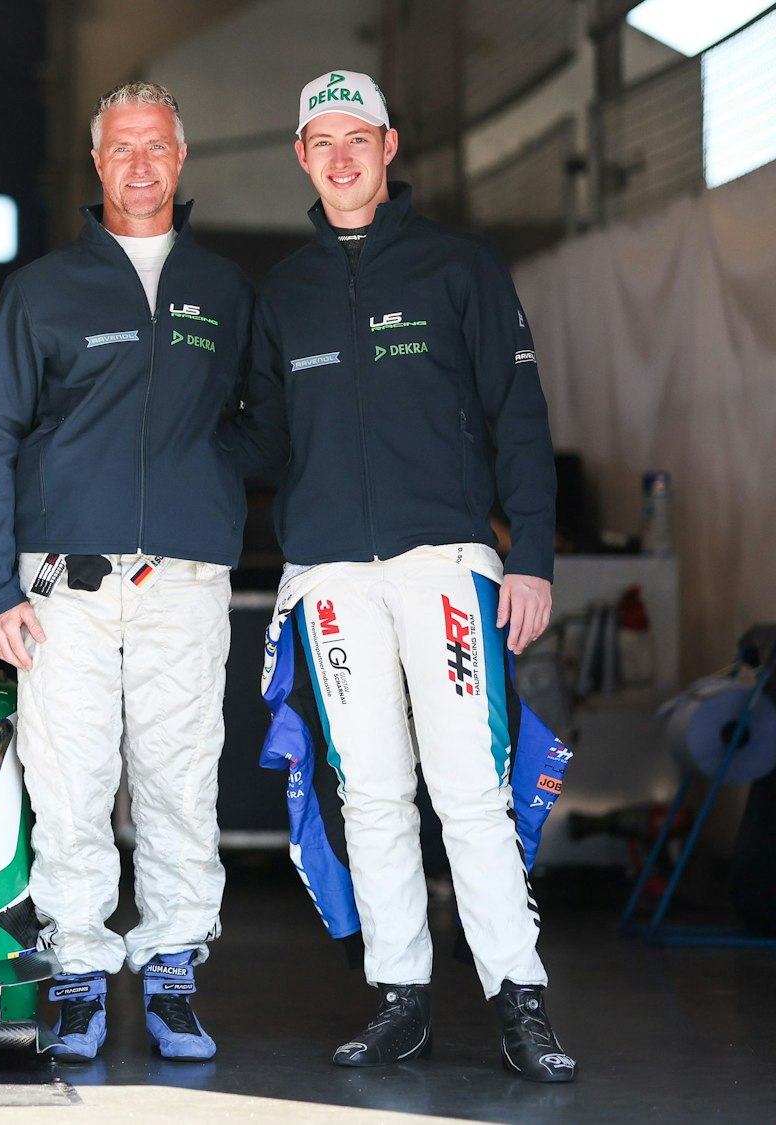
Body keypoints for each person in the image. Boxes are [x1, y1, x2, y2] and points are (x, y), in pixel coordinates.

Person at [234, 70, 572, 1082]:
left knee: (467, 789)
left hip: (445, 565)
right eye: (319, 141)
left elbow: (520, 418)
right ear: (299, 157)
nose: (339, 156)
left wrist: (534, 560)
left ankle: (519, 997)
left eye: (357, 138)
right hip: (329, 576)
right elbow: (251, 446)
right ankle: (400, 996)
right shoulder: (280, 295)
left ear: (387, 148)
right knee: (370, 791)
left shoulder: (457, 267)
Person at [0, 81, 254, 1063]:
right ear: (97, 164)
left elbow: (259, 426)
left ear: (180, 158)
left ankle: (172, 970)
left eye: (156, 147)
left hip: (181, 582)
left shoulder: (221, 289)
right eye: (120, 149)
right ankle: (79, 971)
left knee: (178, 787)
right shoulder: (41, 289)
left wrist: (201, 486)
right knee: (71, 785)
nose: (139, 165)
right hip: (60, 587)